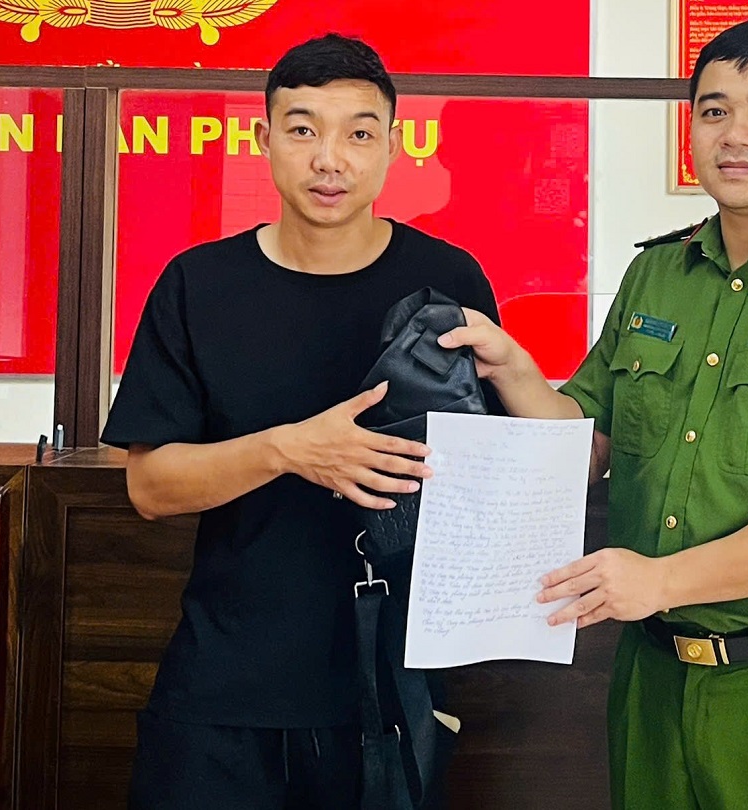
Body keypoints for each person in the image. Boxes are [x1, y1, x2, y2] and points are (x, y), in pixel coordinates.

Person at [438, 16, 748, 810]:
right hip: (653, 680)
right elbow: (587, 444)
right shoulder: (658, 275)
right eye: (714, 110)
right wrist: (518, 373)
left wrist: (661, 579)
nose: (735, 133)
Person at [101, 33, 501, 809]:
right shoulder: (198, 284)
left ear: (394, 145)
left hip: (388, 687)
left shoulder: (446, 279)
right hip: (224, 683)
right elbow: (150, 487)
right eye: (303, 129)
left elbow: (493, 474)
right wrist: (288, 450)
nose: (330, 159)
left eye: (359, 133)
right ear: (263, 140)